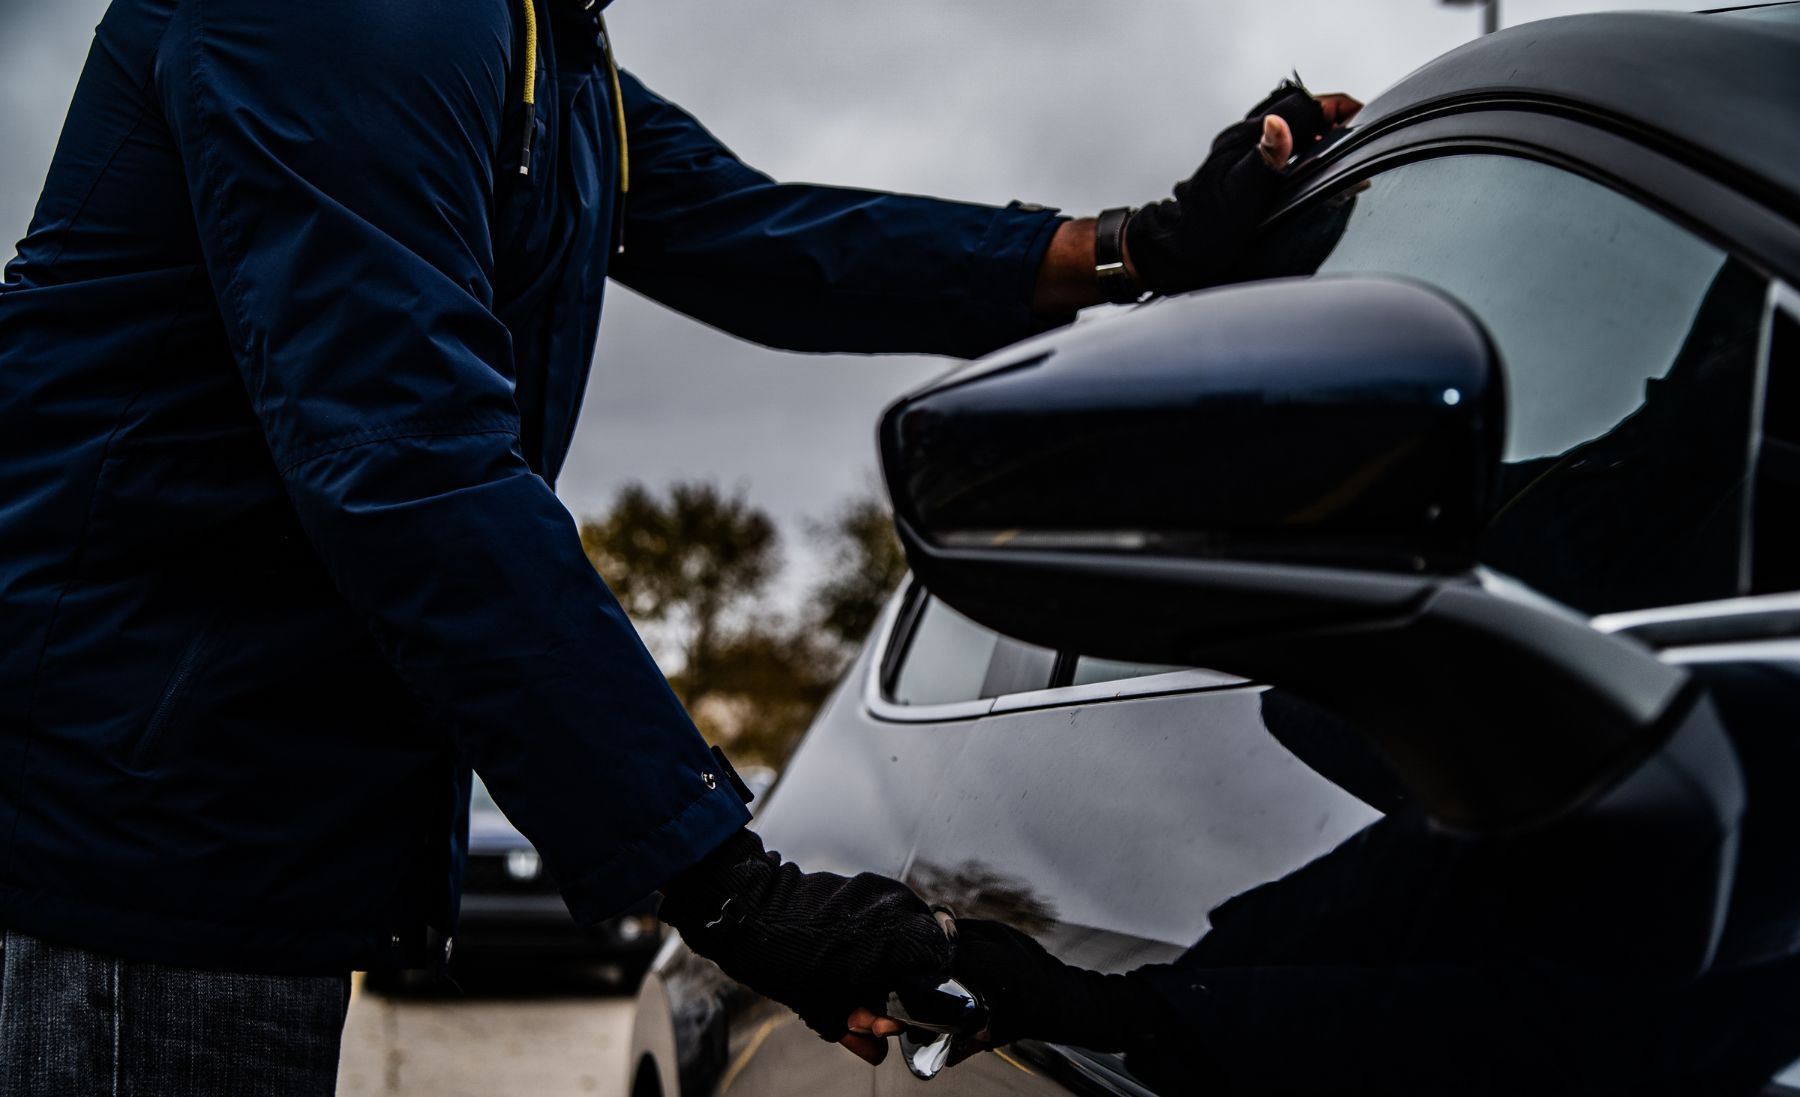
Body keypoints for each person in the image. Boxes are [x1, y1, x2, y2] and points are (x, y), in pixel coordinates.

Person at [0, 0, 1356, 1092]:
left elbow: (783, 242)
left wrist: (1135, 248)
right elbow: (408, 467)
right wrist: (728, 882)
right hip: (140, 831)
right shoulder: (347, 19)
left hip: (242, 825)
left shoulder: (549, 50)